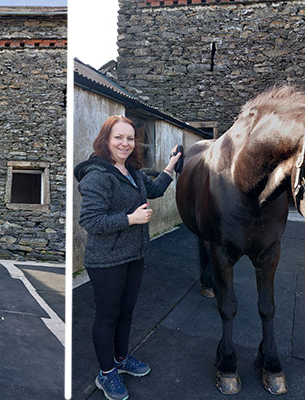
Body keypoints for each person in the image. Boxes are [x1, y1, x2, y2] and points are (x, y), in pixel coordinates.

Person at [74, 115, 182, 400]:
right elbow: (91, 221)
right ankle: (106, 373)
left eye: (130, 138)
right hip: (106, 261)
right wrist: (131, 219)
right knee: (107, 317)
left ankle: (121, 359)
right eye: (119, 137)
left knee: (126, 311)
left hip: (134, 255)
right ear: (105, 140)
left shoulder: (131, 171)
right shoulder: (97, 175)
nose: (125, 143)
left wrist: (171, 165)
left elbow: (155, 189)